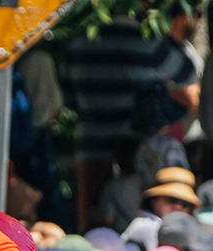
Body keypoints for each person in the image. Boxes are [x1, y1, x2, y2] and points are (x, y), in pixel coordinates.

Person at [61, 9, 199, 231]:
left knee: (93, 228)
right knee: (146, 226)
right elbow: (188, 74)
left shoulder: (78, 41)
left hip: (91, 149)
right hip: (137, 153)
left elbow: (68, 100)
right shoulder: (147, 41)